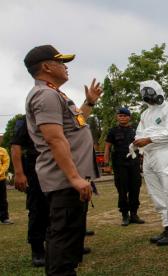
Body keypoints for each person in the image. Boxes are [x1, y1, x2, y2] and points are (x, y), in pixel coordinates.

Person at [24, 44, 102, 275]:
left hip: (70, 177)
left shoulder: (54, 93)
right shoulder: (45, 95)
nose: (65, 67)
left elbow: (75, 126)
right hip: (65, 179)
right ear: (47, 66)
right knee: (63, 235)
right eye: (61, 62)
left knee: (69, 234)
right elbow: (55, 139)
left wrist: (88, 104)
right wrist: (75, 178)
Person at [134, 80, 168, 246]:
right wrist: (141, 140)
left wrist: (150, 138)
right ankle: (167, 226)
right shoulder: (145, 114)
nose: (147, 96)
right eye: (144, 93)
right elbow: (138, 134)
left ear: (157, 91)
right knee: (157, 194)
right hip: (149, 155)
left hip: (166, 153)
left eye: (149, 91)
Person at [11, 117, 48, 266]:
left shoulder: (55, 116)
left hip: (54, 165)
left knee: (56, 207)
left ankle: (55, 246)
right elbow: (15, 145)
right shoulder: (25, 121)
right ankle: (37, 249)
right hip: (34, 168)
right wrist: (19, 173)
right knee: (37, 209)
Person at [104, 107, 144, 226]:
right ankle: (125, 215)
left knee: (135, 188)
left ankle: (134, 214)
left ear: (129, 117)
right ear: (117, 117)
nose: (123, 117)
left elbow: (141, 146)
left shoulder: (135, 131)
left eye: (125, 115)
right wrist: (106, 164)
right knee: (122, 190)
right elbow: (107, 147)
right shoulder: (113, 131)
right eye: (120, 115)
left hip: (134, 164)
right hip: (119, 164)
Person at [0, 146, 11, 224]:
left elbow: (6, 163)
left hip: (1, 179)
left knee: (2, 199)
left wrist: (0, 172)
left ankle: (4, 218)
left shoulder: (2, 151)